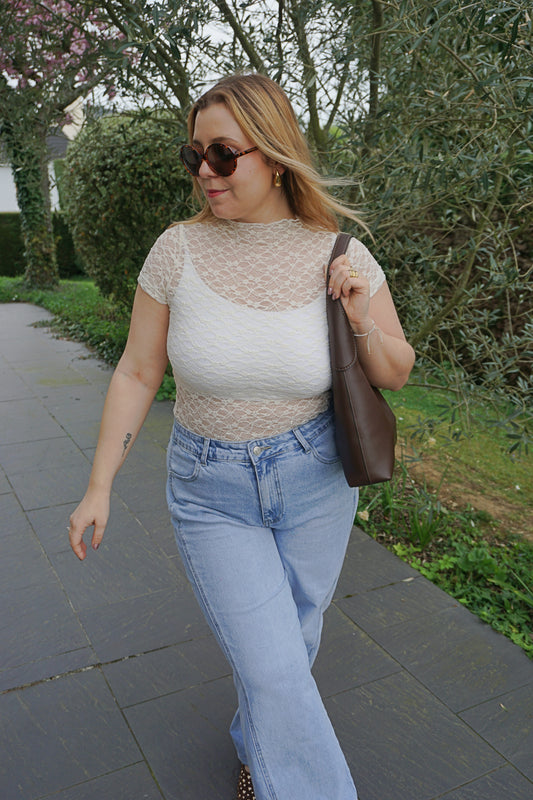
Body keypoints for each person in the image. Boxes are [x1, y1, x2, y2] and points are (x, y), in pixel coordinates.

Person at [68, 73, 415, 800]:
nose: (204, 171)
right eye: (193, 155)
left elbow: (397, 370)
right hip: (210, 488)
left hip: (315, 475)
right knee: (273, 665)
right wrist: (99, 485)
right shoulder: (176, 250)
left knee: (293, 639)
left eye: (222, 154)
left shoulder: (340, 253)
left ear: (276, 156)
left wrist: (360, 319)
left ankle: (259, 744)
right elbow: (137, 370)